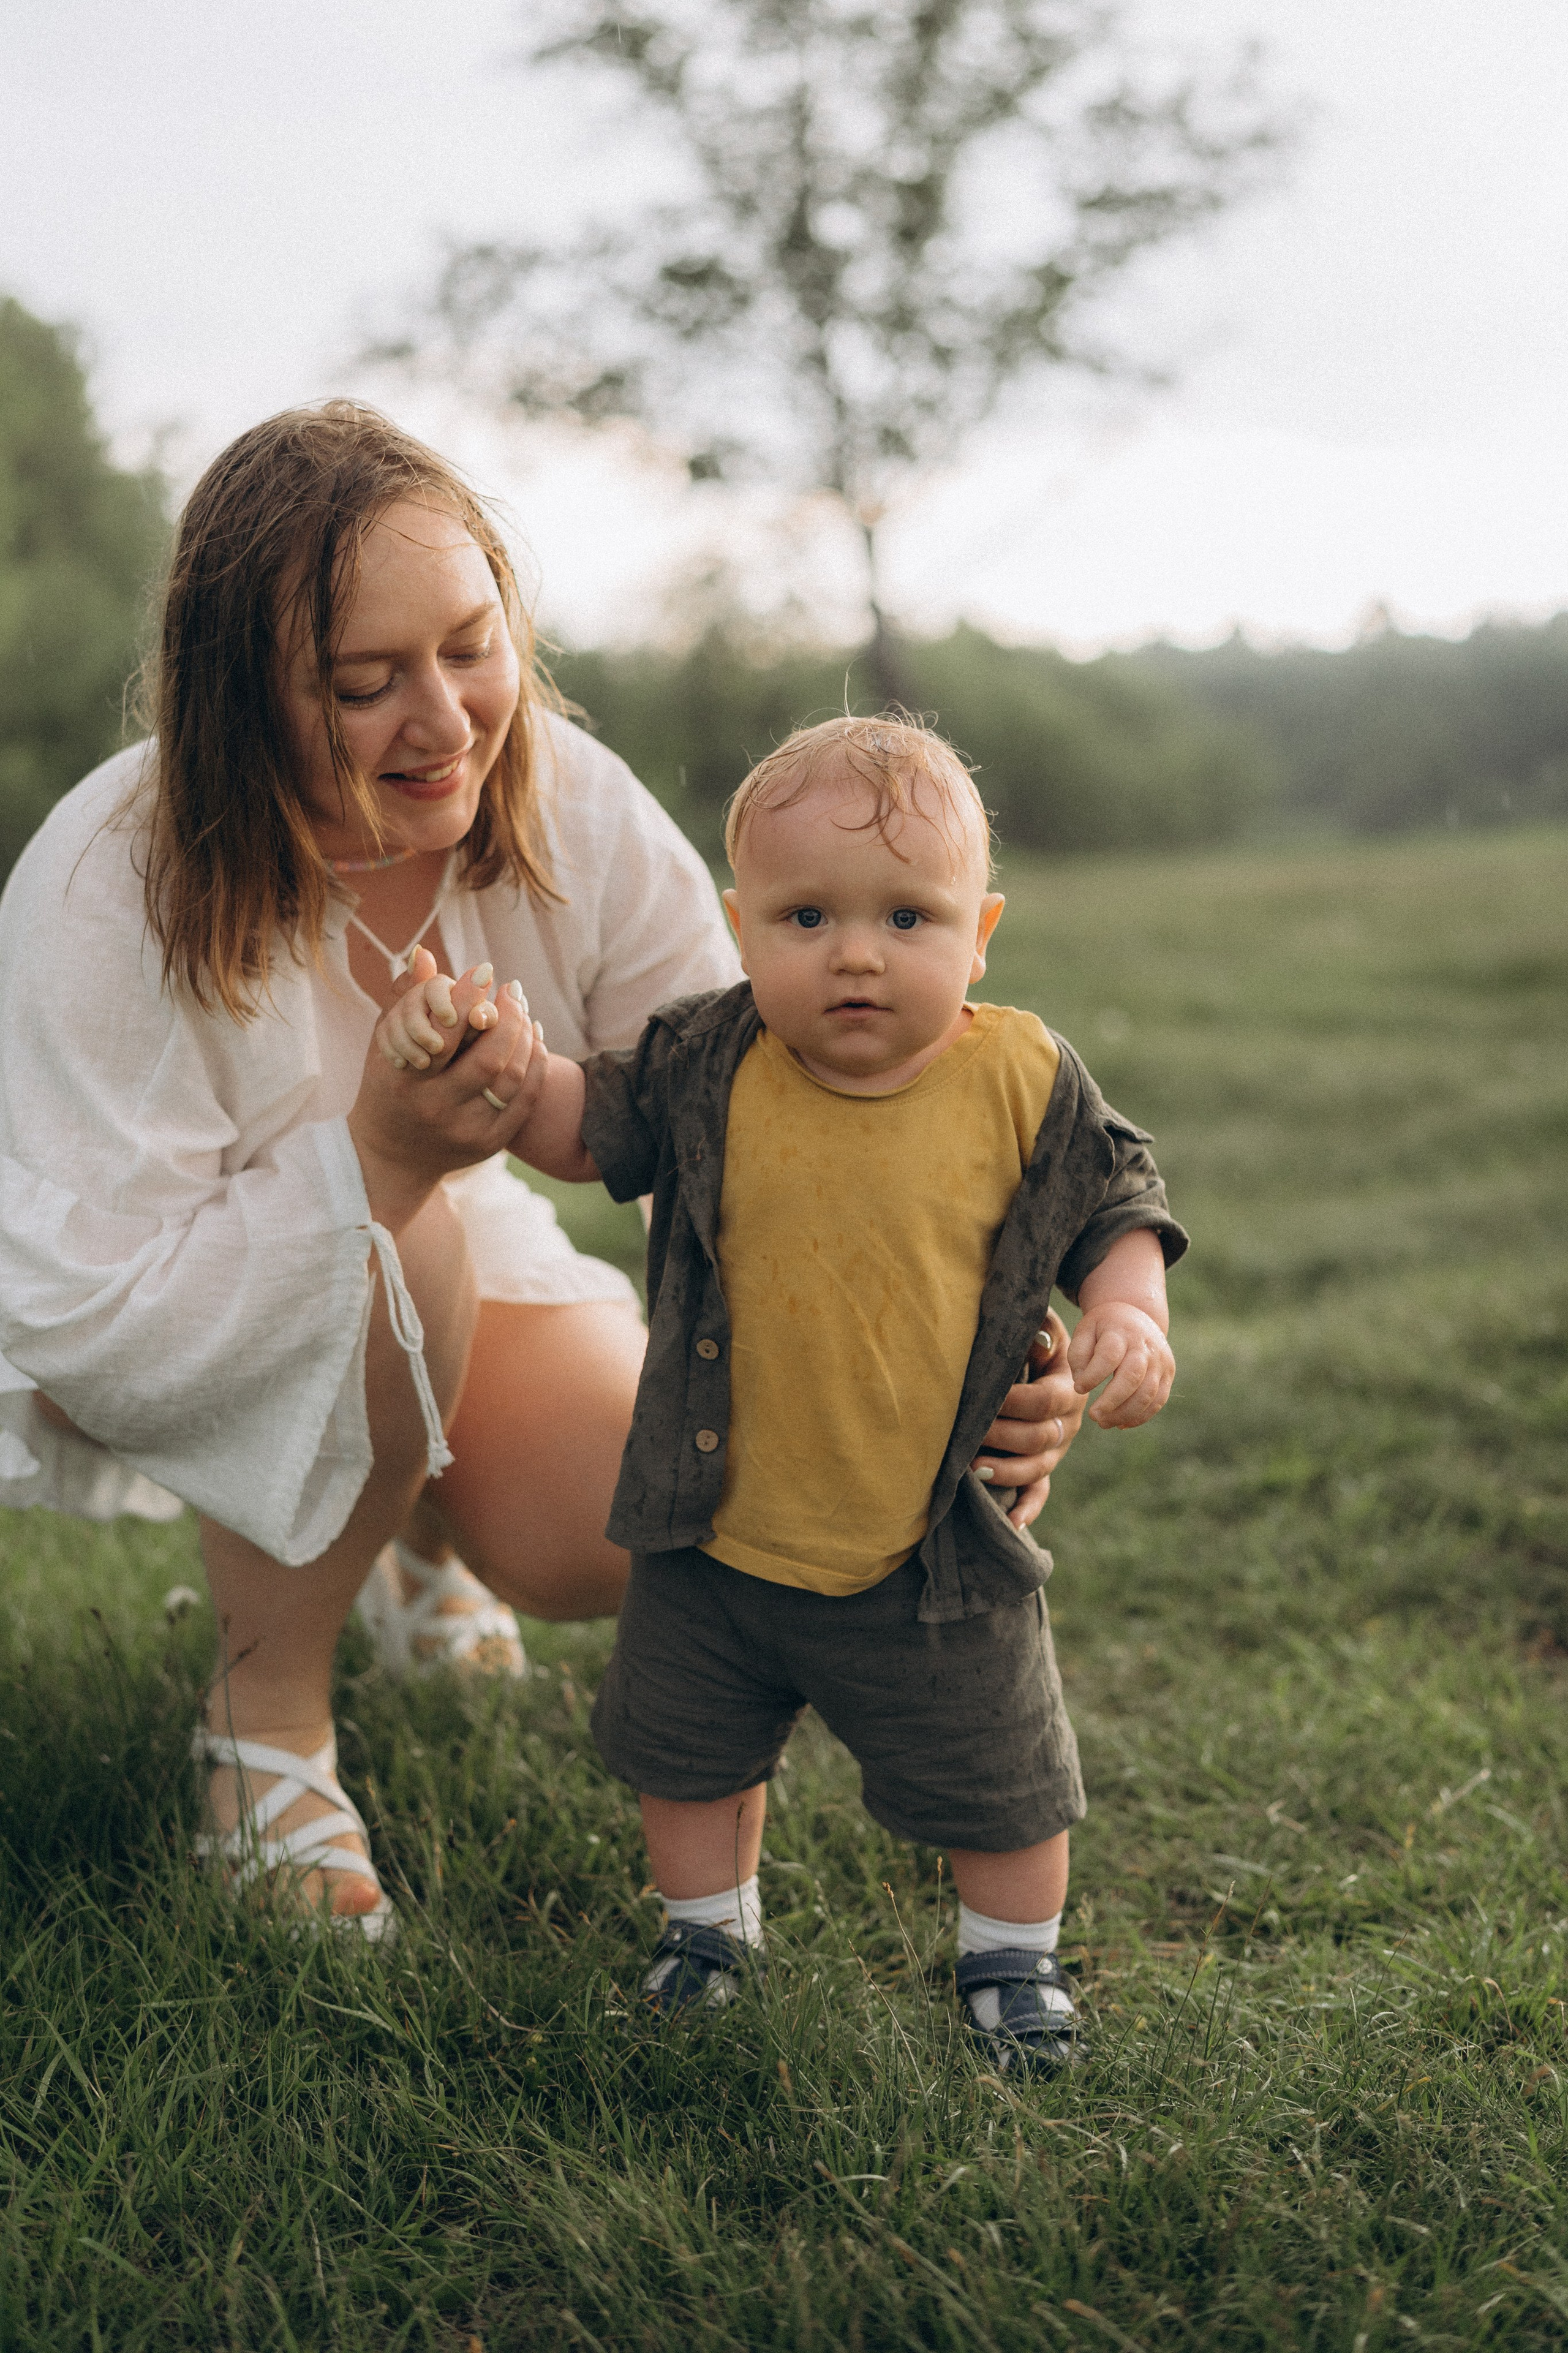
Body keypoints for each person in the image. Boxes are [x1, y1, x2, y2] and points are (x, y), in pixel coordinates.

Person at [0, 406, 1086, 1935]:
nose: (443, 721)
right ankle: (264, 1728)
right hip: (139, 1294)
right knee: (394, 1258)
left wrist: (981, 1349)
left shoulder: (561, 796)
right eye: (362, 683)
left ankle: (408, 1533)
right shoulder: (108, 875)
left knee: (623, 1523)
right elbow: (89, 1301)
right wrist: (380, 1153)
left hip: (446, 1253)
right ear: (240, 697)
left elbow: (771, 1115)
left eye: (469, 645)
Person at [379, 712, 1186, 2067]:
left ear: (977, 930)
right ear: (741, 924)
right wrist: (500, 1067)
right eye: (806, 914)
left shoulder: (1019, 1075)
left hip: (927, 1544)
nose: (856, 951)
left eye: (908, 917)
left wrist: (1126, 1307)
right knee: (686, 1755)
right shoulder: (710, 1056)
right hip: (716, 1528)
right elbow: (586, 1126)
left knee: (1000, 1779)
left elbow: (1113, 1200)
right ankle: (705, 1930)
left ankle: (1010, 1964)